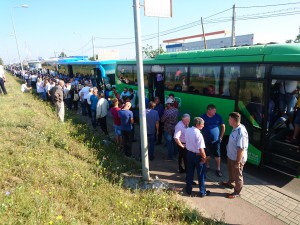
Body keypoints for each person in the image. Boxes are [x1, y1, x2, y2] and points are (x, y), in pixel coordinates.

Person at [222, 112, 249, 199]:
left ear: (233, 120)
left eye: (229, 119)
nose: (228, 120)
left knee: (237, 175)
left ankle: (237, 191)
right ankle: (230, 183)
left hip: (237, 159)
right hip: (231, 156)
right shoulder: (235, 128)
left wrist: (238, 162)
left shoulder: (241, 132)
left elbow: (241, 149)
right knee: (231, 171)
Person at [185, 117, 209, 197]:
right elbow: (201, 149)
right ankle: (202, 192)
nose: (203, 126)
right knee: (201, 174)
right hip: (197, 156)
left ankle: (188, 190)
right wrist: (205, 158)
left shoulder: (188, 130)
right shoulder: (199, 134)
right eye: (202, 124)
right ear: (198, 124)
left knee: (189, 172)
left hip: (189, 154)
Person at [201, 104, 225, 177]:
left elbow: (223, 126)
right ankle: (207, 166)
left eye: (215, 110)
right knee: (207, 154)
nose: (215, 112)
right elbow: (199, 127)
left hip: (216, 140)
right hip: (206, 140)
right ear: (209, 110)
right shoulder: (202, 117)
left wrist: (221, 137)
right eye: (213, 111)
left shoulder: (218, 116)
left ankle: (218, 169)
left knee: (217, 155)